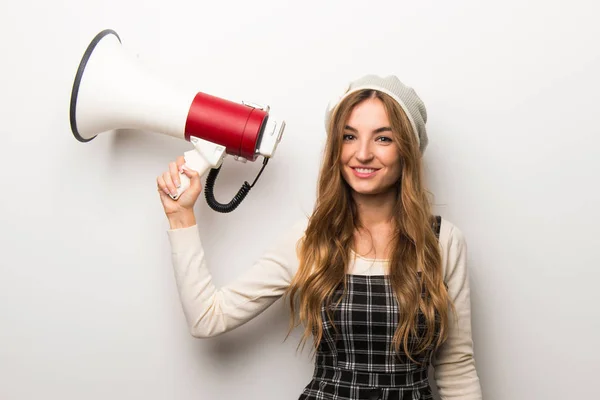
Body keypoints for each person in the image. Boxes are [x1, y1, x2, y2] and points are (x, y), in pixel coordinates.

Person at [157, 75, 483, 400]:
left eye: (383, 139)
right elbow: (207, 319)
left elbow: (456, 367)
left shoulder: (442, 241)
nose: (363, 154)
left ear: (408, 150)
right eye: (349, 137)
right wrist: (180, 216)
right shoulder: (312, 238)